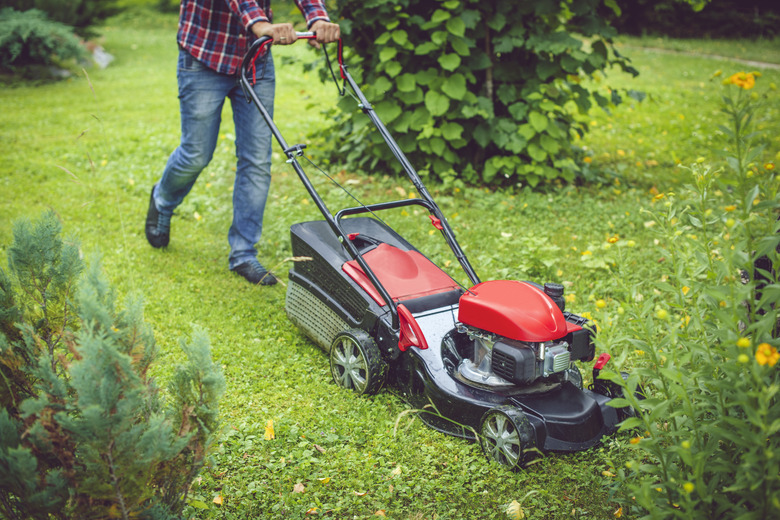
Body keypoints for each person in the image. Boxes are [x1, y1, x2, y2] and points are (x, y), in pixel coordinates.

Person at [145, 0, 340, 286]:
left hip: (255, 59)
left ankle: (243, 253)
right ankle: (162, 199)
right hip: (204, 54)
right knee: (196, 153)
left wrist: (317, 17)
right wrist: (261, 25)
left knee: (257, 159)